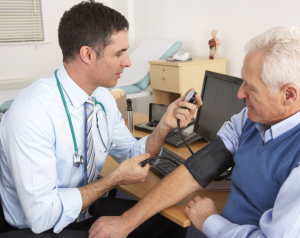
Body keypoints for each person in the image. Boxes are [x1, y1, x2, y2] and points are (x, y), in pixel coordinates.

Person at [88, 26, 300, 238]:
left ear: (288, 94)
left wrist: (210, 222)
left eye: (250, 88)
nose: (240, 94)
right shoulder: (253, 118)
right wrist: (127, 222)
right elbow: (197, 169)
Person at [0, 1, 202, 237]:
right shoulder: (32, 114)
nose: (127, 62)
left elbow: (132, 154)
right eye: (119, 53)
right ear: (87, 54)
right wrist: (113, 180)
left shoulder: (101, 99)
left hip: (85, 209)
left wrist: (164, 125)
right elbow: (42, 214)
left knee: (169, 221)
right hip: (39, 227)